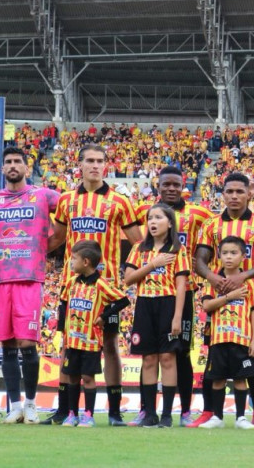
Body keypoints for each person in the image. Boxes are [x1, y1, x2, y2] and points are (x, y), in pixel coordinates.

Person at [46, 144, 142, 426]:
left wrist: (129, 272)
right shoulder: (66, 200)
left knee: (110, 345)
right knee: (67, 345)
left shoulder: (120, 202)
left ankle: (113, 411)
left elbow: (137, 242)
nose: (95, 165)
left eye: (100, 161)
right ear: (80, 164)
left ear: (106, 166)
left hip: (106, 287)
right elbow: (58, 238)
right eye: (90, 160)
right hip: (71, 286)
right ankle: (65, 410)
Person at [0, 146, 60, 424]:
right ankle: (13, 406)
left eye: (17, 161)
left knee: (27, 342)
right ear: (3, 168)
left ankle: (30, 404)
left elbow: (66, 216)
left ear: (27, 168)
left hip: (30, 277)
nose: (12, 165)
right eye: (8, 162)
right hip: (1, 278)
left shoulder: (44, 195)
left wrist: (46, 246)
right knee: (6, 344)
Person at [194, 172, 254, 429]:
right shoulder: (211, 225)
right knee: (213, 357)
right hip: (218, 295)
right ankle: (210, 412)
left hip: (250, 297)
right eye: (229, 191)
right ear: (223, 194)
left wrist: (243, 276)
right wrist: (213, 279)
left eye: (240, 191)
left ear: (249, 193)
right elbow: (199, 261)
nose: (234, 196)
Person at [135, 166, 212, 427]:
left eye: (175, 185)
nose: (170, 189)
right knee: (149, 355)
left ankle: (185, 410)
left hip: (182, 292)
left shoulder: (199, 213)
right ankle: (146, 409)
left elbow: (215, 237)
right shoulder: (146, 213)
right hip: (150, 295)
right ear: (158, 187)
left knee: (181, 354)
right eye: (165, 184)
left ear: (183, 187)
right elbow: (137, 240)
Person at [123, 204, 190, 427]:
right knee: (149, 358)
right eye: (150, 218)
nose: (152, 222)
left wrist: (177, 316)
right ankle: (149, 413)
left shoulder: (177, 250)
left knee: (168, 358)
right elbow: (129, 279)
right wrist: (153, 264)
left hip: (168, 304)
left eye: (158, 218)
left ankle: (168, 414)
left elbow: (181, 286)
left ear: (169, 223)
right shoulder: (139, 248)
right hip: (144, 305)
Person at [60, 240, 129, 428]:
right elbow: (63, 304)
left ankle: (88, 414)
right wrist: (62, 331)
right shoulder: (70, 283)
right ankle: (72, 413)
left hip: (90, 342)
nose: (70, 263)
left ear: (86, 262)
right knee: (72, 376)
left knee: (88, 377)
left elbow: (123, 301)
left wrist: (104, 317)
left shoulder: (101, 284)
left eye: (73, 259)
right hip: (73, 341)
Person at [198, 236, 254, 430]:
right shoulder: (213, 281)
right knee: (217, 378)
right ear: (218, 255)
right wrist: (229, 297)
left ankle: (241, 418)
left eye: (233, 253)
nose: (228, 257)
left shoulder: (249, 283)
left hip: (241, 339)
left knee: (240, 378)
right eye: (225, 253)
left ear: (243, 256)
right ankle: (217, 417)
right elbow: (207, 305)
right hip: (218, 339)